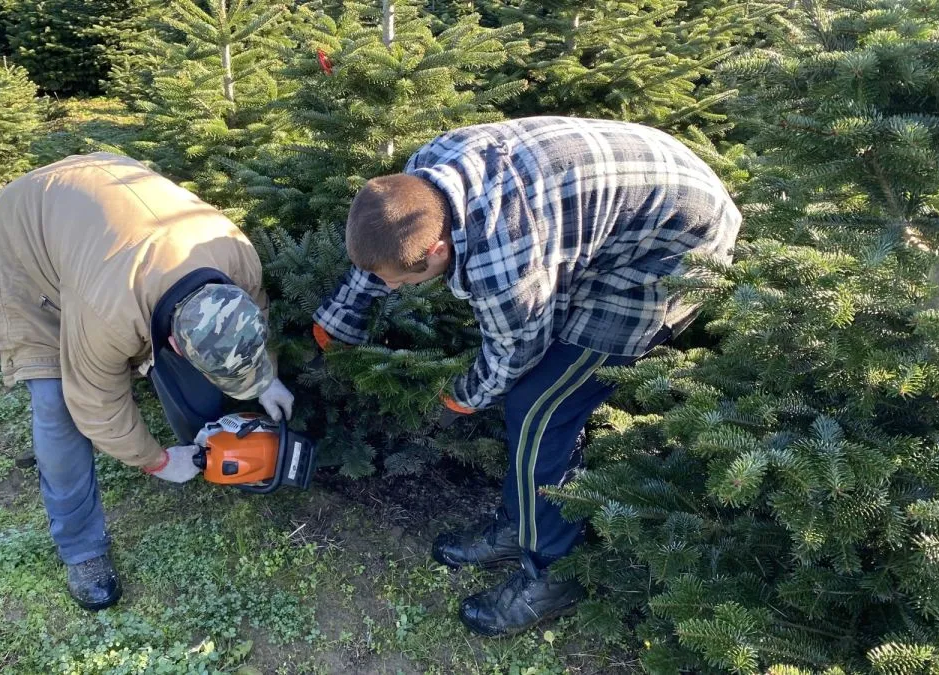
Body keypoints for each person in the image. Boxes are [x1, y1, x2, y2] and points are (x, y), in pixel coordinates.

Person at [311, 117, 741, 637]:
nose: (395, 290)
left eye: (404, 282)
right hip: (623, 197)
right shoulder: (423, 175)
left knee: (541, 408)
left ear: (438, 252)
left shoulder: (502, 260)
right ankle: (520, 524)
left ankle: (552, 573)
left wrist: (462, 397)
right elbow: (385, 248)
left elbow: (516, 351)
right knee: (534, 402)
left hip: (674, 247)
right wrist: (340, 318)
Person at [0, 152, 295, 611]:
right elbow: (95, 402)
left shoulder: (237, 254)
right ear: (176, 346)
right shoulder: (110, 313)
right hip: (29, 229)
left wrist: (266, 379)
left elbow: (254, 312)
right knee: (57, 404)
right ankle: (82, 550)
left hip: (109, 190)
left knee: (110, 355)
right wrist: (157, 460)